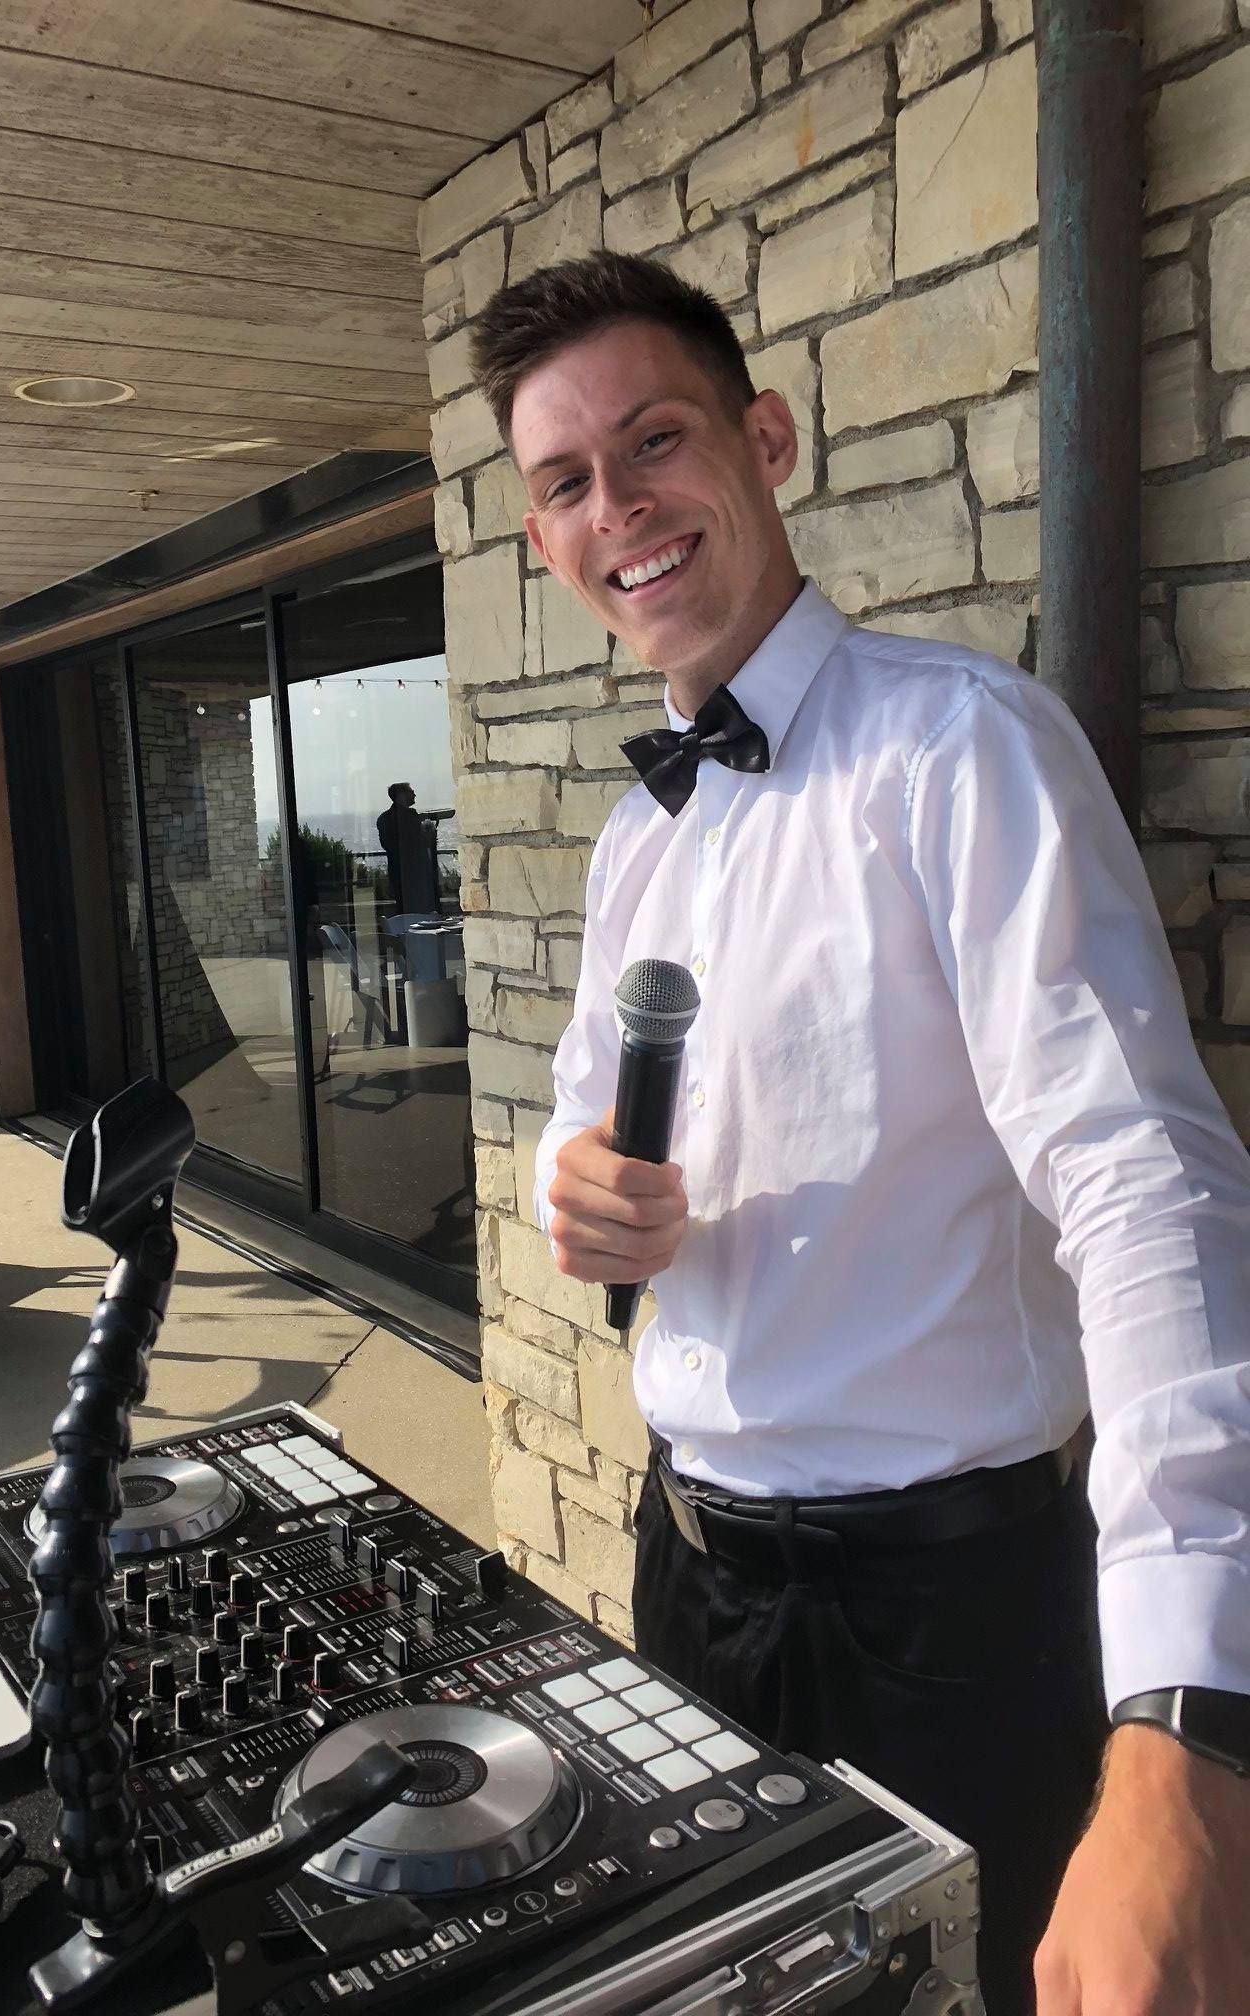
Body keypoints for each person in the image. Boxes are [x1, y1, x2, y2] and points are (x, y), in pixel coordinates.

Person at [468, 251, 1250, 2016]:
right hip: (692, 1575)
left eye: (653, 442)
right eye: (567, 482)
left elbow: (1146, 1189)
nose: (620, 508)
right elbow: (576, 1104)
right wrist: (563, 1181)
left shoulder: (961, 753)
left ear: (763, 438)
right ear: (543, 539)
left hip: (957, 1611)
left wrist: (1184, 1710)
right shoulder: (632, 843)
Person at [376, 781, 440, 916]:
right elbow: (421, 842)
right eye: (411, 792)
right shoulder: (410, 817)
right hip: (416, 874)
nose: (414, 795)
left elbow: (387, 845)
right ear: (401, 796)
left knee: (403, 911)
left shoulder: (383, 819)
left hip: (397, 872)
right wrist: (430, 829)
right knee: (422, 912)